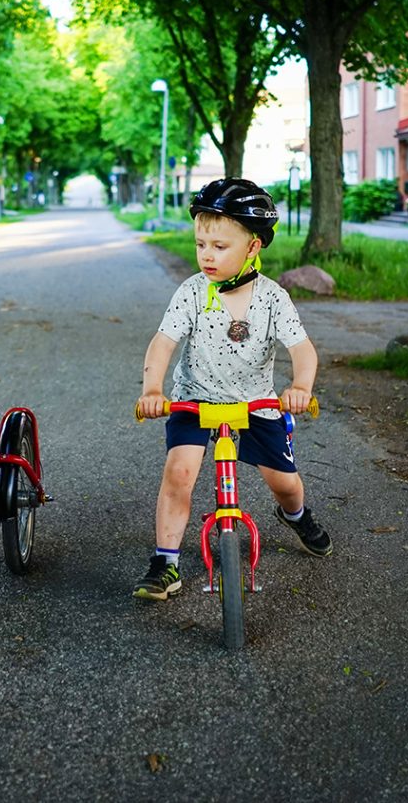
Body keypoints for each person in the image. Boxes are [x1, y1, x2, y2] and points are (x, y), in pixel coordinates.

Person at [133, 177, 331, 601]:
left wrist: (300, 385)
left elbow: (303, 349)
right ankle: (165, 562)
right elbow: (163, 341)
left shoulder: (274, 298)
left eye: (219, 247)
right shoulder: (192, 292)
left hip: (256, 403)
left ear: (253, 247)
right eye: (201, 243)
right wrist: (153, 388)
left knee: (286, 483)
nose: (206, 254)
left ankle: (295, 516)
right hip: (194, 400)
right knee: (179, 473)